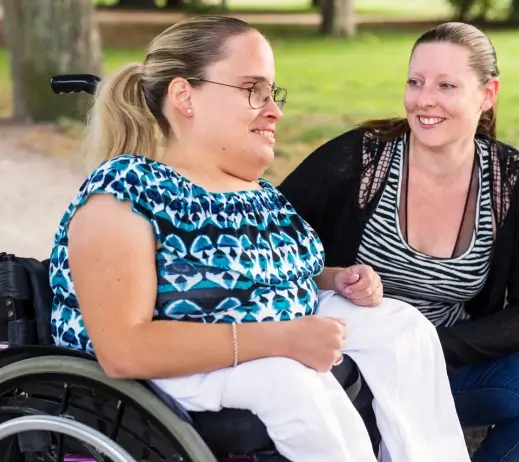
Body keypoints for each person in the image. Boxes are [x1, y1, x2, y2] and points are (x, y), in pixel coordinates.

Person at [46, 16, 471, 462]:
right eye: (253, 90)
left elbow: (257, 272)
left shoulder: (253, 193)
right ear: (185, 95)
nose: (274, 110)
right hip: (173, 364)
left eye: (273, 93)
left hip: (259, 327)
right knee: (292, 382)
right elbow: (124, 350)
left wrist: (335, 279)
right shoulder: (124, 194)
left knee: (403, 328)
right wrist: (282, 339)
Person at [277, 22, 519, 462]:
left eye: (446, 85)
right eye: (415, 82)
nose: (424, 99)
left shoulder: (512, 180)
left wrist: (425, 347)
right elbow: (270, 243)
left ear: (487, 95)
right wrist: (334, 278)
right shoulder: (360, 159)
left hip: (445, 367)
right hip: (351, 370)